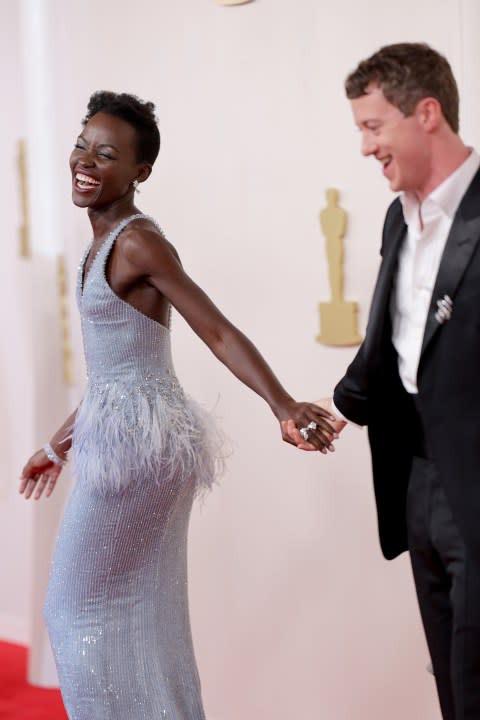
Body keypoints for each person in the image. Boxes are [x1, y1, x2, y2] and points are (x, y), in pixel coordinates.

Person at [19, 91, 336, 720]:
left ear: (140, 173)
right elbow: (114, 374)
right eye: (82, 145)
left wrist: (283, 405)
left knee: (74, 608)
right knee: (142, 613)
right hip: (139, 435)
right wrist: (57, 444)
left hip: (136, 448)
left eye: (106, 154)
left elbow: (215, 329)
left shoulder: (136, 243)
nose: (85, 161)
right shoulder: (105, 240)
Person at [289, 43, 480, 719]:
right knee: (452, 684)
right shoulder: (398, 217)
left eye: (373, 127)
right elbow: (391, 341)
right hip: (418, 481)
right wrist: (336, 409)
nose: (366, 148)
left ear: (427, 114)